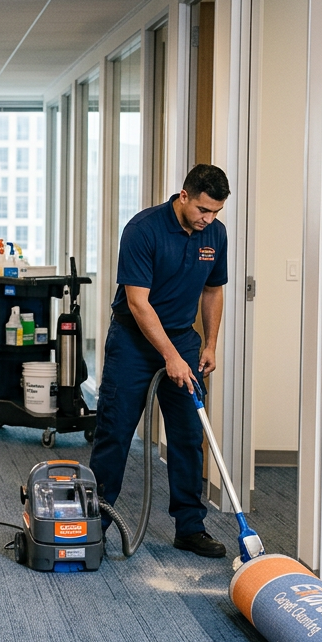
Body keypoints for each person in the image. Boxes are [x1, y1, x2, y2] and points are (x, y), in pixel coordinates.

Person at [90, 164, 232, 559]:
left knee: (188, 435)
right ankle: (95, 524)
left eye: (216, 212)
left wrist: (210, 345)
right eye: (204, 209)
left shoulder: (214, 234)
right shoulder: (143, 229)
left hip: (184, 341)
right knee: (115, 431)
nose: (209, 219)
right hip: (134, 341)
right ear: (183, 195)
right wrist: (169, 355)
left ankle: (190, 526)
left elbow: (213, 290)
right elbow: (137, 302)